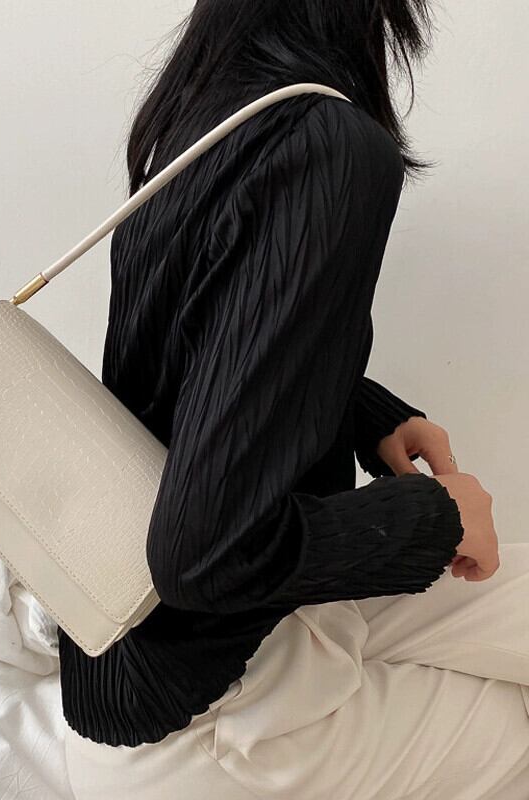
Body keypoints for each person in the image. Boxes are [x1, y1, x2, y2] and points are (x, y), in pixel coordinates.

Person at [60, 2, 529, 798]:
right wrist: (438, 517)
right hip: (212, 728)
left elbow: (207, 361)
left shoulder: (207, 111)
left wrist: (370, 416)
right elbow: (203, 555)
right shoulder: (328, 144)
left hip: (140, 662)